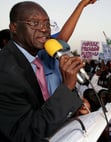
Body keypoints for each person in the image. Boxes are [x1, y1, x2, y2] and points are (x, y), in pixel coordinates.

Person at [0, 1, 88, 141]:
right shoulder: (6, 72)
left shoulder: (35, 56)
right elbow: (26, 133)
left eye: (47, 24)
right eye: (35, 23)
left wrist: (73, 106)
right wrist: (66, 87)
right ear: (14, 28)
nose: (44, 29)